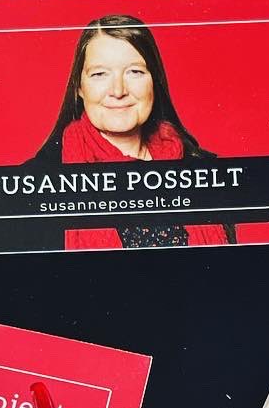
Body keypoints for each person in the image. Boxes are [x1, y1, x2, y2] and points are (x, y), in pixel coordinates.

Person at [35, 14, 232, 249]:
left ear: (154, 80)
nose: (118, 91)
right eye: (99, 74)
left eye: (135, 72)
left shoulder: (205, 173)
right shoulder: (34, 187)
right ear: (79, 87)